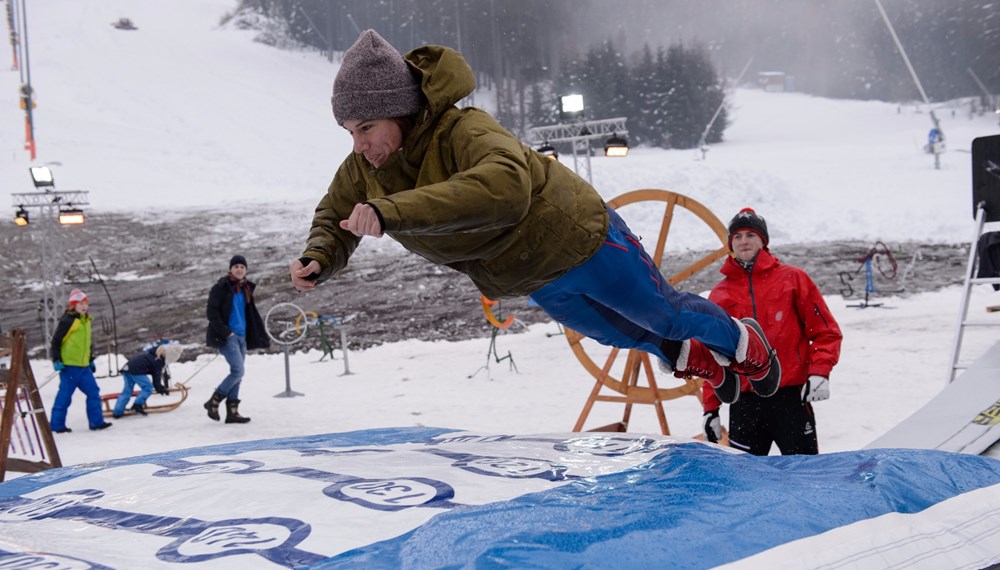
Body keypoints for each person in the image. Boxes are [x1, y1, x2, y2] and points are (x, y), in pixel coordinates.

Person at [287, 29, 780, 397]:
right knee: (621, 332)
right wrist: (319, 256)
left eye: (366, 127)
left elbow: (504, 188)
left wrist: (389, 211)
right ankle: (691, 357)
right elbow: (335, 214)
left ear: (397, 111)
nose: (360, 144)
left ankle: (740, 340)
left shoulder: (465, 130)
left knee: (663, 315)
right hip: (532, 274)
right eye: (350, 131)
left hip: (578, 238)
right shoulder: (364, 167)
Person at [701, 208, 843, 455]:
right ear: (730, 244)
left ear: (762, 241)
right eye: (737, 236)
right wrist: (710, 409)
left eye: (750, 234)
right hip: (744, 403)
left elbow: (826, 331)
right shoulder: (720, 294)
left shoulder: (793, 279)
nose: (744, 241)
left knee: (804, 474)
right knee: (746, 480)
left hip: (790, 398)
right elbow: (712, 357)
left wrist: (820, 372)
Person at [204, 255, 269, 424]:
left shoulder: (246, 289)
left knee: (238, 375)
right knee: (238, 371)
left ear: (246, 270)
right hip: (228, 337)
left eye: (242, 266)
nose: (239, 269)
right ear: (230, 269)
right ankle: (214, 400)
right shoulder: (221, 287)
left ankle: (232, 412)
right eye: (236, 266)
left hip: (242, 337)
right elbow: (212, 313)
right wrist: (226, 333)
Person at [49, 288, 112, 433]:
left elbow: (86, 343)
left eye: (85, 303)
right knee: (65, 396)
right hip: (69, 366)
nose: (84, 306)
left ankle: (97, 422)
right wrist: (56, 359)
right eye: (80, 303)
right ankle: (56, 425)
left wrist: (90, 360)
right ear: (73, 305)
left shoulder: (86, 321)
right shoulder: (68, 321)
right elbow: (56, 341)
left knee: (94, 392)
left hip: (83, 367)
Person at [112, 343, 183, 418]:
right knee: (148, 387)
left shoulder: (153, 355)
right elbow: (156, 376)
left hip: (127, 369)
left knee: (127, 391)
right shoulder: (158, 360)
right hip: (136, 370)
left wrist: (159, 387)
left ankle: (117, 412)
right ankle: (137, 405)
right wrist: (159, 388)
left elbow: (156, 375)